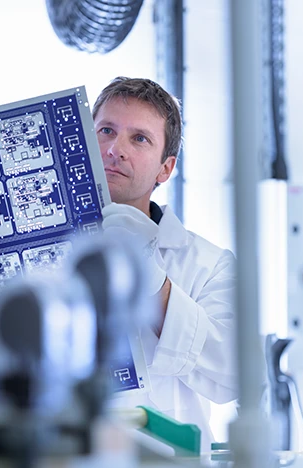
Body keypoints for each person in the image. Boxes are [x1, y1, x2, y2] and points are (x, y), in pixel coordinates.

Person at [92, 77, 237, 446]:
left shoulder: (209, 265)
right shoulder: (32, 249)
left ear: (165, 169)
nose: (115, 149)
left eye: (139, 138)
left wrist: (148, 275)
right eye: (106, 130)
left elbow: (231, 373)